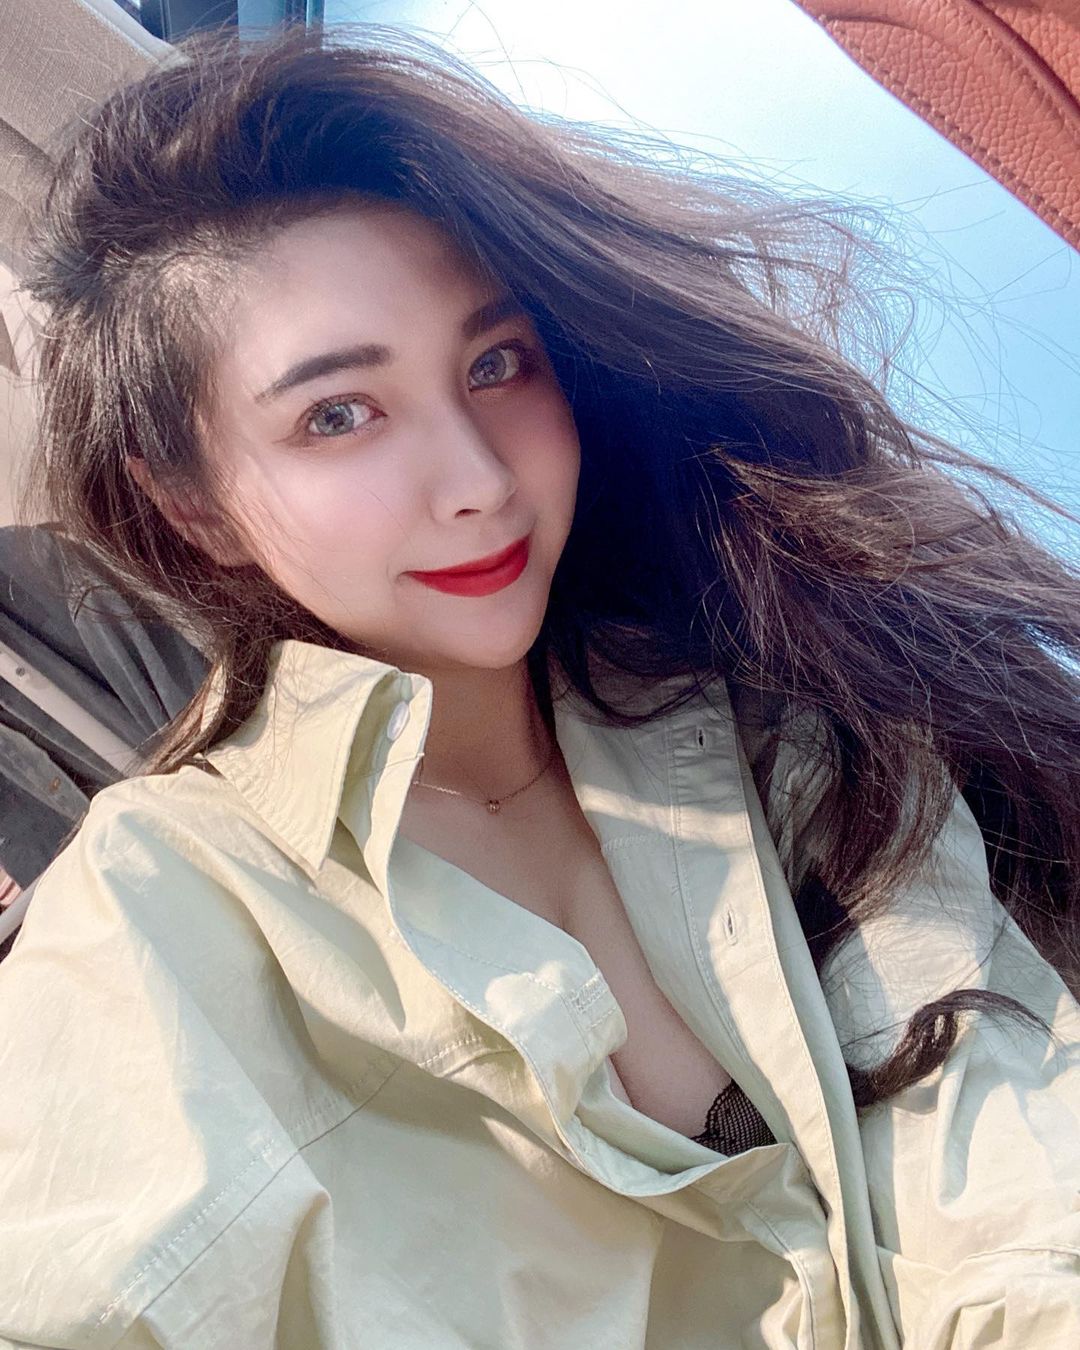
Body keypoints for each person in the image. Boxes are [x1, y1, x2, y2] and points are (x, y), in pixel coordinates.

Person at [1, 21, 1079, 1349]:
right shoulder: (162, 913)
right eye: (338, 413)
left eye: (496, 363)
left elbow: (1008, 1173)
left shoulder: (785, 722)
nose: (479, 478)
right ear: (196, 505)